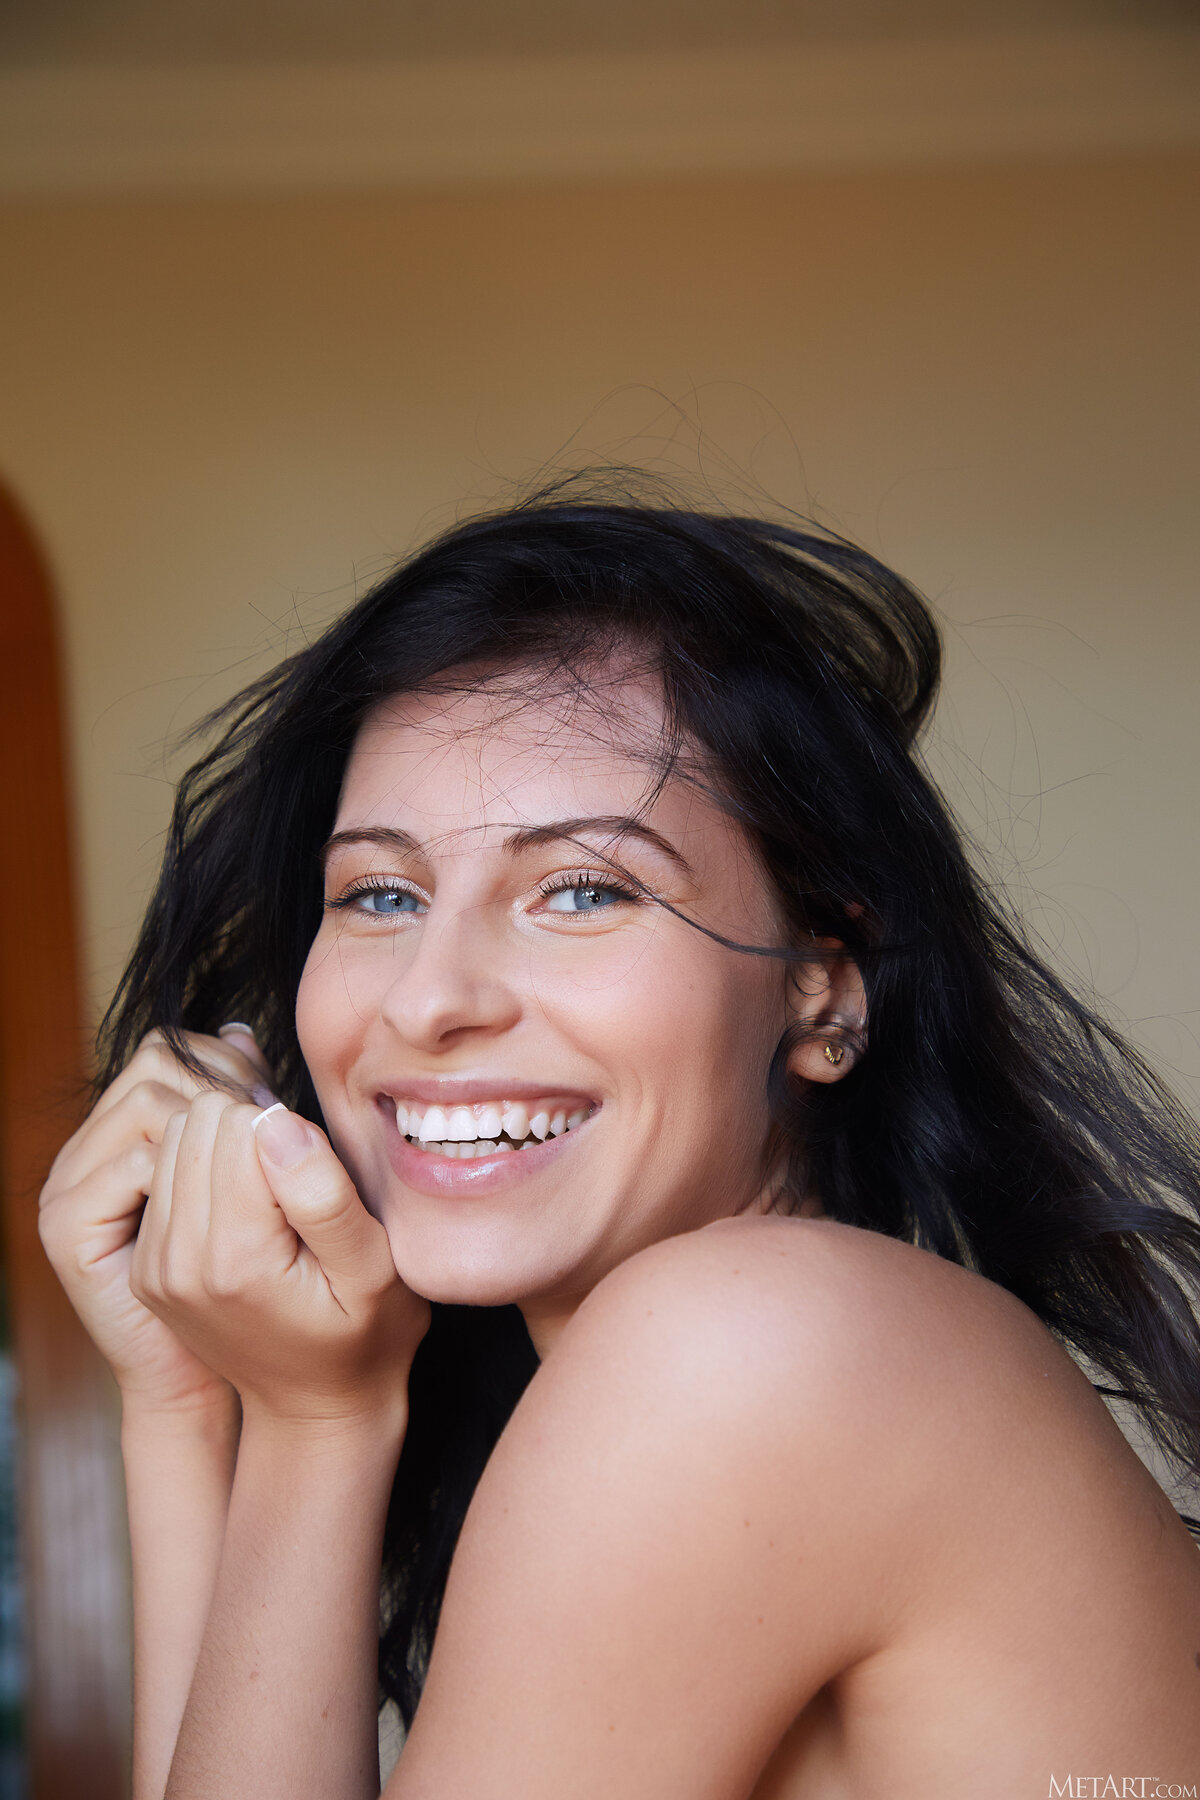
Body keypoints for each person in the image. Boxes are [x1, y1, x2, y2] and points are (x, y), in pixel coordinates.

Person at [38, 485, 1200, 1800]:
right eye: (381, 893)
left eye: (583, 889)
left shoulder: (752, 1342)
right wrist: (189, 1403)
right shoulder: (790, 1347)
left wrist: (318, 1423)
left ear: (824, 987)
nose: (429, 999)